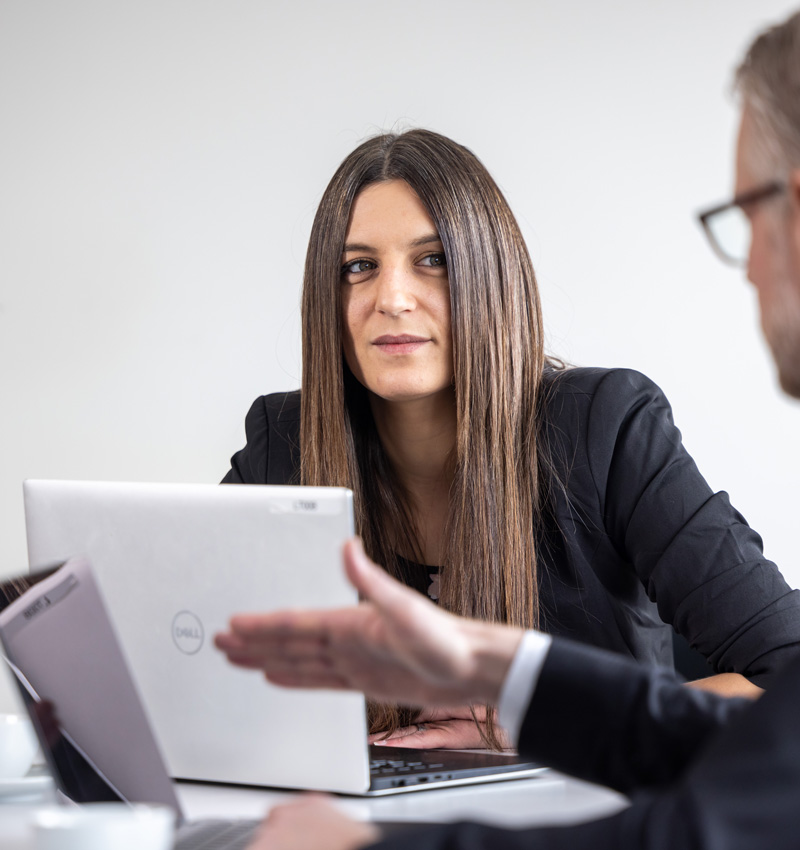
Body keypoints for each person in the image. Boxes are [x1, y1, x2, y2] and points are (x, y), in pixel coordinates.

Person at [215, 8, 800, 849]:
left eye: (432, 260)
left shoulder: (605, 428)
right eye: (357, 268)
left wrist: (513, 715)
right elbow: (187, 668)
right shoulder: (282, 444)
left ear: (489, 278)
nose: (392, 297)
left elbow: (779, 681)